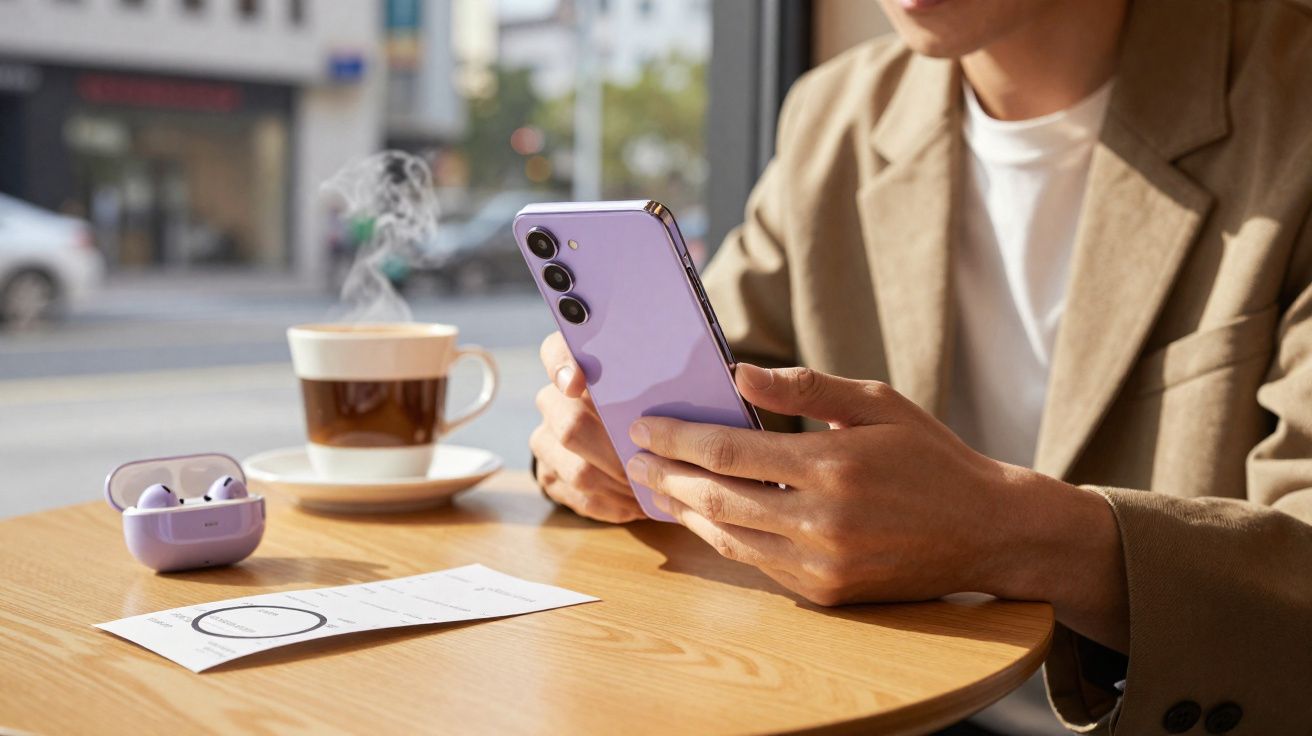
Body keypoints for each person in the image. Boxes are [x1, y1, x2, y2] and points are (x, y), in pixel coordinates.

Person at [529, 0, 1312, 732]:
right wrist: (603, 440)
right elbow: (734, 370)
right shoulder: (837, 115)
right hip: (870, 704)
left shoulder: (1290, 101)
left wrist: (1010, 535)